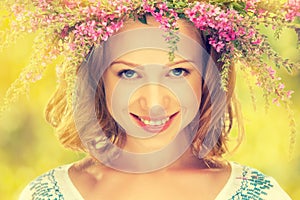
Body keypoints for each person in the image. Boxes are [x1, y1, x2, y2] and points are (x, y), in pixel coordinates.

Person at [1, 0, 298, 199]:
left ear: (208, 77)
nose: (154, 102)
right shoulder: (48, 195)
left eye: (178, 71)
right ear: (98, 79)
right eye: (128, 74)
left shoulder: (260, 194)